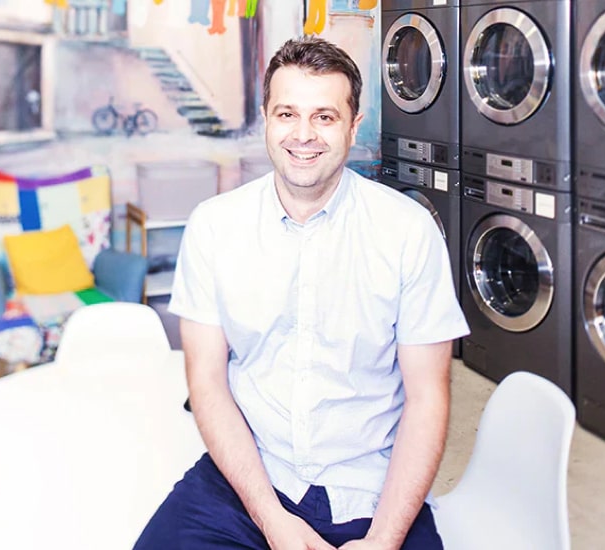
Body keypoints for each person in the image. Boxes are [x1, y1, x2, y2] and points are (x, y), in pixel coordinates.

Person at [135, 36, 468, 550]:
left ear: (353, 128)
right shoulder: (214, 227)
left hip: (372, 491)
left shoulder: (407, 231)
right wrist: (270, 517)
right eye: (287, 113)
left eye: (325, 117)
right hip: (247, 479)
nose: (303, 135)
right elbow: (206, 380)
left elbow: (428, 396)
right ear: (266, 119)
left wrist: (384, 540)